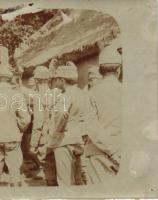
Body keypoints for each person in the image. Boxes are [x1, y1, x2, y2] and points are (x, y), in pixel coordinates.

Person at [83, 43, 122, 184]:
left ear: (100, 70)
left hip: (99, 153)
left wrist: (112, 151)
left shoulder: (91, 94)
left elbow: (92, 127)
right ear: (119, 69)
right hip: (123, 150)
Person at [49, 62, 92, 185]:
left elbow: (61, 118)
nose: (56, 82)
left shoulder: (64, 96)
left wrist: (55, 135)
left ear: (62, 80)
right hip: (79, 139)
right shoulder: (82, 94)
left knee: (65, 181)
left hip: (64, 140)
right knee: (78, 179)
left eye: (57, 79)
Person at [29, 66, 59, 186]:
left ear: (36, 81)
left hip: (45, 138)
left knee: (49, 172)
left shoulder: (38, 97)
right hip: (58, 135)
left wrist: (33, 144)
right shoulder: (56, 93)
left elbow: (38, 123)